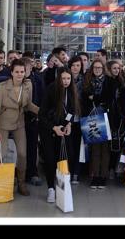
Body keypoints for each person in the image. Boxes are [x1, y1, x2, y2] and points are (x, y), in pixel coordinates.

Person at [0, 59, 39, 196]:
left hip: (19, 123)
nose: (19, 74)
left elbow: (28, 105)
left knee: (23, 154)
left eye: (22, 72)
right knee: (2, 153)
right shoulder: (3, 87)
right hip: (4, 123)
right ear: (11, 72)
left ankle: (21, 182)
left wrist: (42, 111)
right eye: (17, 72)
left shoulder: (28, 86)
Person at [38, 68, 81, 202]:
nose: (66, 81)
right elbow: (42, 114)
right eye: (63, 78)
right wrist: (53, 127)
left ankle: (61, 186)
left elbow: (72, 111)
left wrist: (69, 124)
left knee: (66, 157)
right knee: (50, 160)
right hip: (49, 130)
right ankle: (51, 188)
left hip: (63, 130)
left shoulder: (72, 91)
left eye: (68, 78)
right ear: (58, 79)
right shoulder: (51, 90)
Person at [82, 60, 114, 189]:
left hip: (105, 116)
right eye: (95, 67)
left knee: (105, 148)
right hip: (92, 116)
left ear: (103, 68)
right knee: (95, 148)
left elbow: (108, 98)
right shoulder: (87, 81)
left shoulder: (110, 81)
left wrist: (94, 97)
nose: (97, 69)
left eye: (99, 67)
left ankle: (103, 176)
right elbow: (84, 97)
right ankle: (95, 176)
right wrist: (97, 98)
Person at [22, 56, 45, 186]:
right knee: (18, 148)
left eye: (27, 68)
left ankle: (32, 172)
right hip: (17, 119)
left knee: (32, 146)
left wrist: (40, 114)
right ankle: (19, 172)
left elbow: (42, 96)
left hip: (33, 118)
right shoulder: (14, 79)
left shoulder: (37, 80)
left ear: (31, 67)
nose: (24, 71)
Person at [68, 56, 86, 184]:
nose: (75, 68)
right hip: (67, 118)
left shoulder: (85, 81)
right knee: (68, 146)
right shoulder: (65, 79)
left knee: (78, 146)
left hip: (80, 118)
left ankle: (76, 172)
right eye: (73, 65)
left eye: (78, 65)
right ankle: (67, 170)